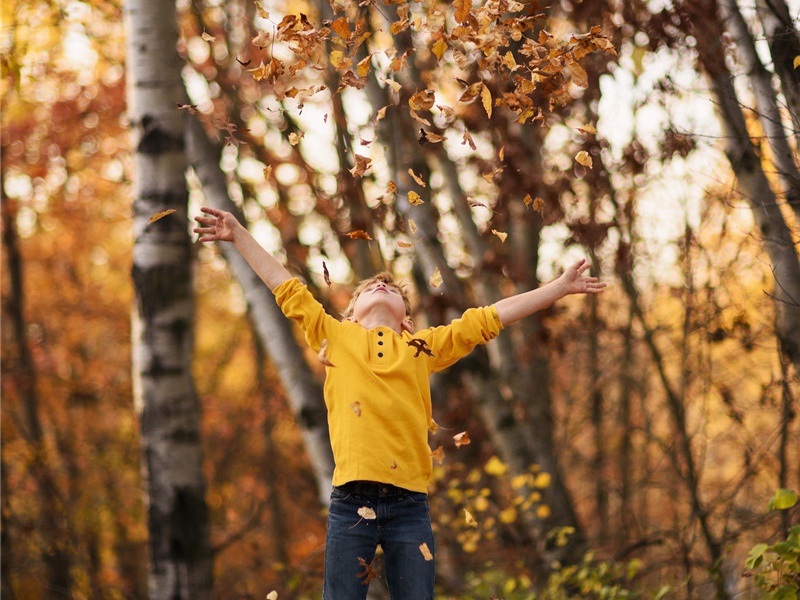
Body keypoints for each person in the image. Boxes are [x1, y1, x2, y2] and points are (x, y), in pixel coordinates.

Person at [193, 206, 606, 600]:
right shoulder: (335, 336)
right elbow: (284, 285)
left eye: (391, 288)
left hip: (409, 503)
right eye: (371, 286)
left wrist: (558, 288)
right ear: (351, 314)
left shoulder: (420, 347)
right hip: (350, 499)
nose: (381, 285)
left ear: (407, 319)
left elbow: (488, 319)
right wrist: (238, 234)